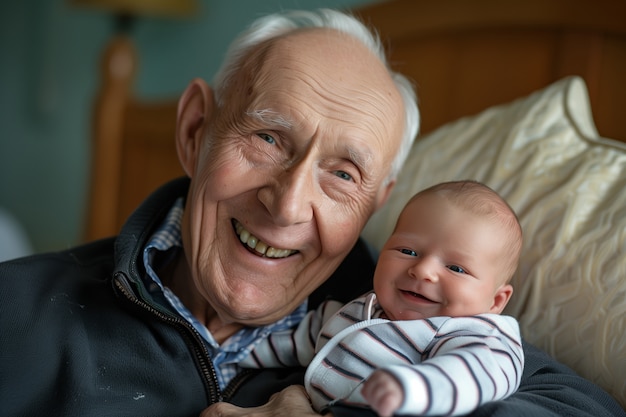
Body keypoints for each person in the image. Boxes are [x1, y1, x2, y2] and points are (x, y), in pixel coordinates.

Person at [0, 8, 623, 417]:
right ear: (196, 130)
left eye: (343, 175)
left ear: (375, 206)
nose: (289, 202)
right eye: (268, 138)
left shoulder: (411, 321)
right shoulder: (17, 313)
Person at [241, 180, 524, 417]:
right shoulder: (362, 307)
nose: (422, 270)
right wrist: (241, 354)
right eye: (407, 251)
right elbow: (303, 339)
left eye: (456, 268)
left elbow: (479, 371)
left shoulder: (473, 335)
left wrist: (414, 388)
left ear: (496, 301)